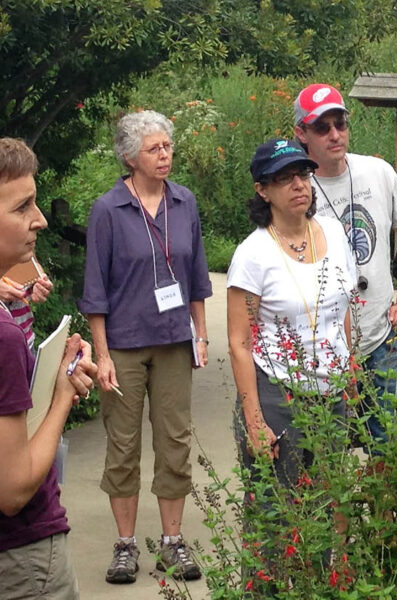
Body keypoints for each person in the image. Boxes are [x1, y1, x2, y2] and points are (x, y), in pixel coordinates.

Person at [78, 110, 212, 583]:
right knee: (124, 444)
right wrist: (102, 355)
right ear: (130, 156)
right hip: (125, 345)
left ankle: (173, 542)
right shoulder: (108, 209)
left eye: (168, 147)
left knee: (175, 441)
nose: (165, 155)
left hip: (175, 341)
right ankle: (126, 545)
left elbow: (197, 277)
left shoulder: (185, 202)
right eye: (154, 148)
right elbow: (95, 289)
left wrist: (200, 333)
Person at [227, 139, 356, 524]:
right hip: (278, 396)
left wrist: (350, 367)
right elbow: (239, 342)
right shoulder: (253, 254)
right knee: (277, 518)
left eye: (302, 174)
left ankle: (319, 585)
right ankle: (270, 588)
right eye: (284, 178)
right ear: (262, 190)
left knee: (325, 508)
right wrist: (254, 422)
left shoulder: (334, 233)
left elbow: (343, 307)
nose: (299, 184)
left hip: (331, 395)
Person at [293, 83, 397, 446]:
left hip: (382, 339)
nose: (335, 135)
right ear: (301, 133)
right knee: (326, 464)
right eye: (322, 127)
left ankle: (387, 506)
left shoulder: (377, 173)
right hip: (323, 350)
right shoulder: (297, 189)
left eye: (341, 123)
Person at [0, 137, 97, 599]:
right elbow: (13, 488)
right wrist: (62, 394)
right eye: (22, 207)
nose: (39, 219)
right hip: (22, 559)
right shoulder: (2, 336)